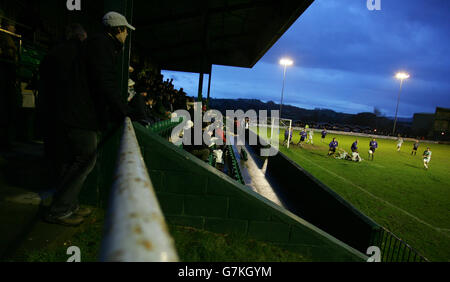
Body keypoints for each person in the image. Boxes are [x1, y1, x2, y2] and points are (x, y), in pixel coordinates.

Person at [0, 19, 19, 149]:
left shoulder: (10, 39)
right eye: (13, 26)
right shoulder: (4, 37)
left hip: (8, 75)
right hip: (5, 74)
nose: (15, 29)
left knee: (7, 109)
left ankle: (6, 140)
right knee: (5, 108)